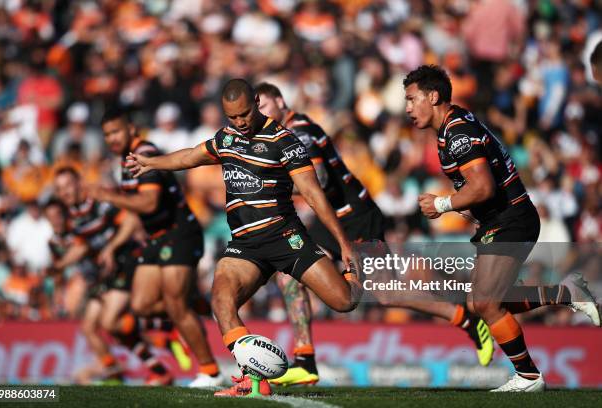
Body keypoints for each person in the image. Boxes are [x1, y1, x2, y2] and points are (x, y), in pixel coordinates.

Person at [126, 78, 363, 397]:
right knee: (221, 301)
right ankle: (254, 380)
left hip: (286, 237)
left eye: (244, 114)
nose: (239, 122)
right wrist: (150, 162)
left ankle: (358, 273)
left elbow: (313, 194)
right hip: (246, 246)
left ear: (255, 102)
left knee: (345, 301)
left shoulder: (284, 140)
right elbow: (188, 157)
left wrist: (345, 246)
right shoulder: (226, 138)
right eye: (232, 117)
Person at [255, 82, 495, 386]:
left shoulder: (299, 129)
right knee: (288, 272)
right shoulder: (282, 134)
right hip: (329, 221)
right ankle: (305, 359)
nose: (260, 114)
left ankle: (465, 318)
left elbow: (322, 178)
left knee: (384, 293)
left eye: (263, 106)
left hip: (357, 217)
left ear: (279, 100)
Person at [404, 65, 600, 392]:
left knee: (484, 302)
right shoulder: (453, 126)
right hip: (504, 218)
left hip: (511, 218)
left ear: (433, 96)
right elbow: (482, 185)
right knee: (486, 301)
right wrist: (469, 207)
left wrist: (442, 204)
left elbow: (483, 187)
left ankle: (528, 376)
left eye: (412, 99)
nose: (408, 108)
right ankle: (566, 294)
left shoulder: (457, 133)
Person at [94, 107, 223, 387]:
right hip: (156, 238)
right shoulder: (125, 160)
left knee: (175, 304)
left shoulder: (147, 154)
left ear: (132, 129)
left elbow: (149, 203)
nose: (112, 138)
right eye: (107, 135)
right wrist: (112, 246)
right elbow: (134, 213)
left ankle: (211, 372)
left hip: (180, 233)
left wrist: (109, 196)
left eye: (116, 131)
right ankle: (186, 314)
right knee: (141, 305)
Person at [52, 167, 174, 384]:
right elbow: (81, 246)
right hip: (107, 271)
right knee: (93, 327)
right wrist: (60, 265)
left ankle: (167, 330)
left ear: (79, 182)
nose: (65, 192)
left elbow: (131, 222)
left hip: (128, 259)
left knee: (110, 322)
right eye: (60, 189)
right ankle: (149, 370)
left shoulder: (98, 200)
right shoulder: (72, 215)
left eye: (68, 186)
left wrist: (110, 247)